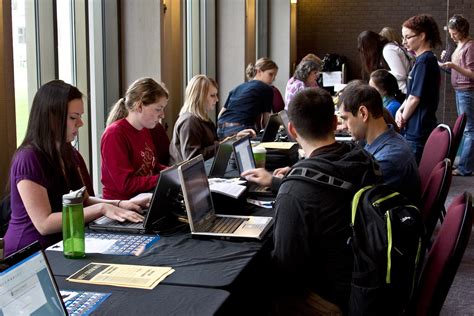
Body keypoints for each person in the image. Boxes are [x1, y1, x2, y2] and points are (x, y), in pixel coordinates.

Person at [242, 88, 380, 314]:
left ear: (292, 129)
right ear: (335, 122)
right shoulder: (362, 159)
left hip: (333, 299)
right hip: (367, 280)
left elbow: (287, 270)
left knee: (254, 291)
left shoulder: (295, 192)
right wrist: (282, 182)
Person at [3, 80, 147, 257]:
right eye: (73, 117)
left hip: (65, 244)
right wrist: (102, 209)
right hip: (32, 253)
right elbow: (44, 223)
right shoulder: (28, 158)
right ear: (51, 117)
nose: (80, 123)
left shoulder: (68, 152)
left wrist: (120, 204)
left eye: (80, 116)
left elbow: (84, 201)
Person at [338, 82, 421, 204]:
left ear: (364, 113)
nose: (343, 126)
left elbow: (351, 199)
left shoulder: (387, 160)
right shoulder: (384, 141)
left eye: (345, 118)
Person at [101, 77, 169, 200]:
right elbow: (125, 184)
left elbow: (151, 167)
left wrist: (175, 171)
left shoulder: (145, 129)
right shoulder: (114, 134)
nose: (162, 115)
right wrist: (166, 178)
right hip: (122, 206)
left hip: (143, 198)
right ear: (139, 106)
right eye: (158, 109)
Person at [169, 75, 255, 164]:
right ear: (199, 97)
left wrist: (235, 138)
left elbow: (212, 146)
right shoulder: (189, 121)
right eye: (212, 95)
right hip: (190, 176)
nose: (217, 99)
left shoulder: (202, 119)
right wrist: (226, 144)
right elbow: (192, 159)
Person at [396, 14, 442, 164]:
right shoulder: (421, 60)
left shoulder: (425, 61)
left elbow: (415, 98)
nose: (404, 42)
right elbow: (410, 95)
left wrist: (402, 118)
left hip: (418, 130)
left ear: (422, 36)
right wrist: (399, 110)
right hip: (416, 128)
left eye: (407, 37)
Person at [440, 15, 474, 176]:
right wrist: (446, 63)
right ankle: (466, 165)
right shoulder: (460, 45)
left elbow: (472, 74)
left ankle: (465, 167)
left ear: (461, 30)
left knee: (470, 130)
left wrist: (453, 64)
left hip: (467, 91)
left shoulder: (470, 46)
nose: (452, 36)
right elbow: (454, 71)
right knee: (467, 128)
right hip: (460, 90)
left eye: (454, 33)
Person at [217, 57, 278, 139]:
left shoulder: (238, 88)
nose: (273, 78)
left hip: (221, 129)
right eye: (270, 74)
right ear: (259, 71)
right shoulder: (266, 88)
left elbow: (220, 115)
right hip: (242, 129)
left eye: (275, 75)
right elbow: (265, 121)